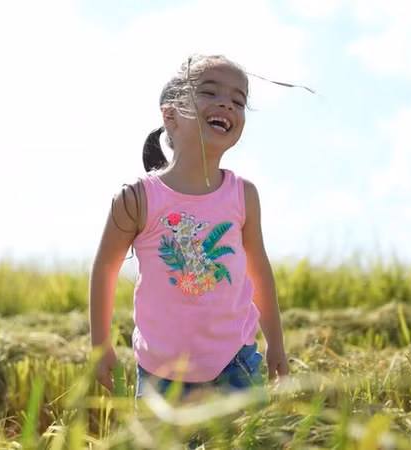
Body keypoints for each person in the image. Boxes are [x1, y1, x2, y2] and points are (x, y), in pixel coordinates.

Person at [88, 54, 289, 402]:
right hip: (159, 373)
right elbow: (105, 269)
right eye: (210, 93)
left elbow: (258, 271)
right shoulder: (137, 198)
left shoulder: (243, 195)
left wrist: (276, 343)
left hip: (235, 363)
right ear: (170, 114)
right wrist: (99, 346)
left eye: (238, 100)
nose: (226, 103)